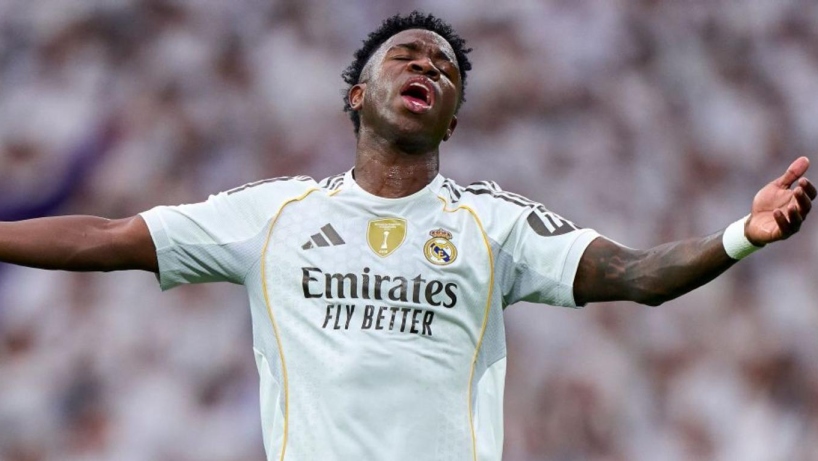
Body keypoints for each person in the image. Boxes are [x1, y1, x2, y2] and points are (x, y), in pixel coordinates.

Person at [0, 10, 814, 461]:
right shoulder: (275, 213)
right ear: (358, 95)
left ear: (452, 119)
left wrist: (740, 235)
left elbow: (637, 273)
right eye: (408, 56)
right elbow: (106, 236)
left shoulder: (494, 224)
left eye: (445, 68)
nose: (428, 66)